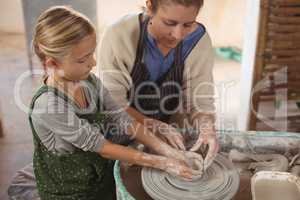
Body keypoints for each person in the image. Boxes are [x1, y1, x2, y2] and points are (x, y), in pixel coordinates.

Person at [8, 6, 203, 200]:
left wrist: (167, 151)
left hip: (97, 173)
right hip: (68, 189)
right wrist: (162, 162)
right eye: (83, 59)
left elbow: (122, 118)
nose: (93, 63)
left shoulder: (89, 81)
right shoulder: (49, 106)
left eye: (92, 54)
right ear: (52, 64)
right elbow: (101, 146)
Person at [99, 0, 219, 170]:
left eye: (188, 24)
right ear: (149, 6)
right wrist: (152, 125)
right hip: (119, 130)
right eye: (169, 23)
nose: (178, 34)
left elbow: (200, 100)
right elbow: (112, 103)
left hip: (170, 131)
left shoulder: (198, 41)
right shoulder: (120, 34)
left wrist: (207, 126)